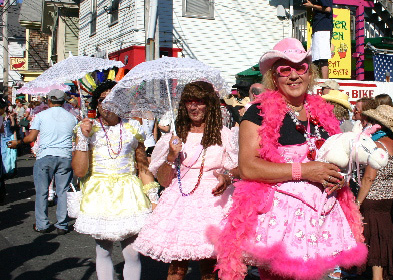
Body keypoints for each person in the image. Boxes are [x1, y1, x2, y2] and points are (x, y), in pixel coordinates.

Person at [214, 38, 368, 280]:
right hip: (280, 225)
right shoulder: (258, 113)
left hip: (324, 222)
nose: (294, 75)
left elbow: (337, 158)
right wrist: (304, 171)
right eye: (285, 69)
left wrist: (339, 178)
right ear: (274, 78)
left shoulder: (323, 111)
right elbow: (248, 167)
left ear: (310, 73)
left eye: (301, 68)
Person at [134, 81, 238, 280]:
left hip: (214, 203)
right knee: (177, 267)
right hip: (181, 202)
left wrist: (227, 177)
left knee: (210, 267)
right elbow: (164, 181)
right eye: (189, 101)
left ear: (209, 105)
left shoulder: (224, 136)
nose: (193, 106)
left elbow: (237, 169)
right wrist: (171, 157)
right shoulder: (173, 139)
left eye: (199, 101)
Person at [72, 80, 158, 280]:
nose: (107, 104)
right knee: (103, 252)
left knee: (132, 253)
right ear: (96, 104)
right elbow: (79, 170)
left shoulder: (133, 127)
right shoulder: (87, 129)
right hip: (99, 194)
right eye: (102, 100)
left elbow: (142, 166)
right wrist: (83, 138)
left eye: (113, 99)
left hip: (129, 193)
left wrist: (153, 197)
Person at [8, 89, 77, 234]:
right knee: (62, 191)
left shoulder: (41, 116)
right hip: (65, 155)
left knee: (42, 191)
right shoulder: (72, 118)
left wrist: (18, 142)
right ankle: (62, 224)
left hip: (45, 155)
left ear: (49, 100)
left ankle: (42, 224)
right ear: (63, 101)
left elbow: (31, 138)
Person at [355, 105, 393, 280]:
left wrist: (357, 203)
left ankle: (377, 277)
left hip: (372, 198)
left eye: (373, 121)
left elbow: (369, 178)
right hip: (388, 198)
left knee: (374, 238)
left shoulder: (377, 145)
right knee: (383, 235)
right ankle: (380, 275)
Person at [303, 0, 333, 79]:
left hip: (322, 27)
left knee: (322, 57)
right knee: (317, 56)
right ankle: (320, 79)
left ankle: (325, 80)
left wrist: (312, 6)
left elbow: (328, 9)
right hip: (320, 27)